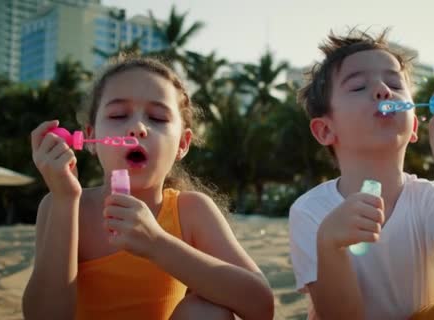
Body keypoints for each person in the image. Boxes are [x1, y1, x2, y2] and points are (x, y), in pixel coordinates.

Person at [23, 56, 274, 320]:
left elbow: (261, 306)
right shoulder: (61, 205)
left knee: (207, 311)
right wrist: (65, 201)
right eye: (118, 115)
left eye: (157, 118)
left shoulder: (190, 211)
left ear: (182, 144)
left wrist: (157, 243)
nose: (138, 128)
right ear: (90, 138)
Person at [288, 28, 434, 320]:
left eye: (394, 83)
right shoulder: (311, 210)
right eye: (359, 87)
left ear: (414, 127)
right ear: (325, 129)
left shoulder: (427, 197)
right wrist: (329, 243)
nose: (383, 91)